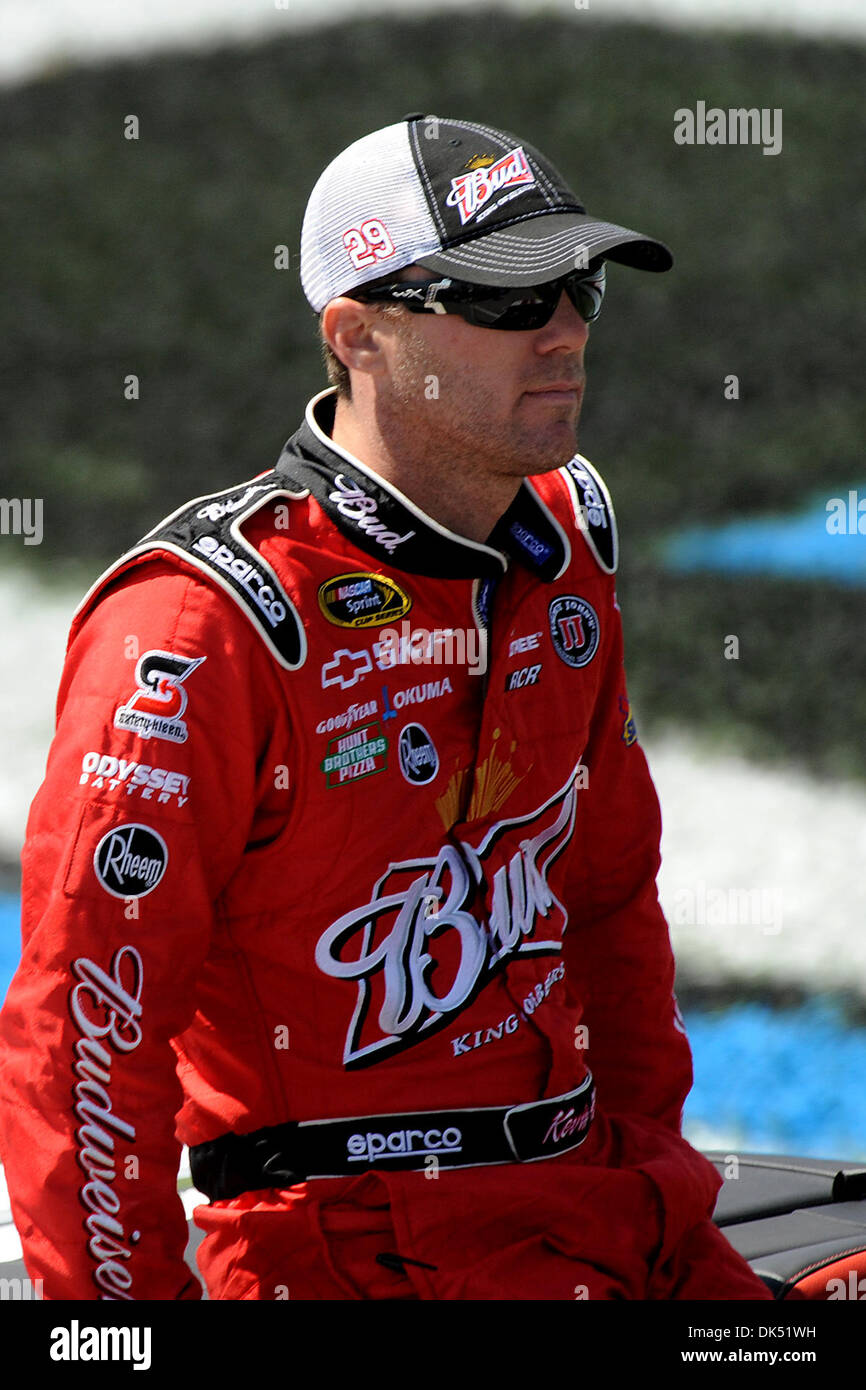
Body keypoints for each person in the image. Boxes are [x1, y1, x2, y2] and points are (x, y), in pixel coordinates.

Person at [0, 114, 773, 1301]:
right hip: (366, 1251)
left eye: (577, 288)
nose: (565, 330)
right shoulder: (203, 627)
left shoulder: (567, 537)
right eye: (507, 300)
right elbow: (80, 1040)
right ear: (358, 334)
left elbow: (608, 897)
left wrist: (656, 1175)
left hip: (599, 1210)